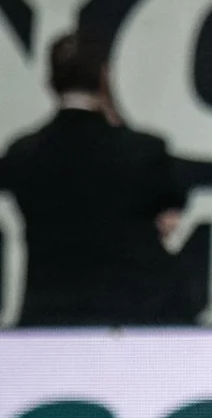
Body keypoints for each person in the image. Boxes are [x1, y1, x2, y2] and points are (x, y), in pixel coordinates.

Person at [0, 28, 189, 327]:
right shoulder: (142, 151)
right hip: (132, 319)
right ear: (104, 77)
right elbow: (172, 203)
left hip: (50, 321)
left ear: (50, 82)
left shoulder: (24, 153)